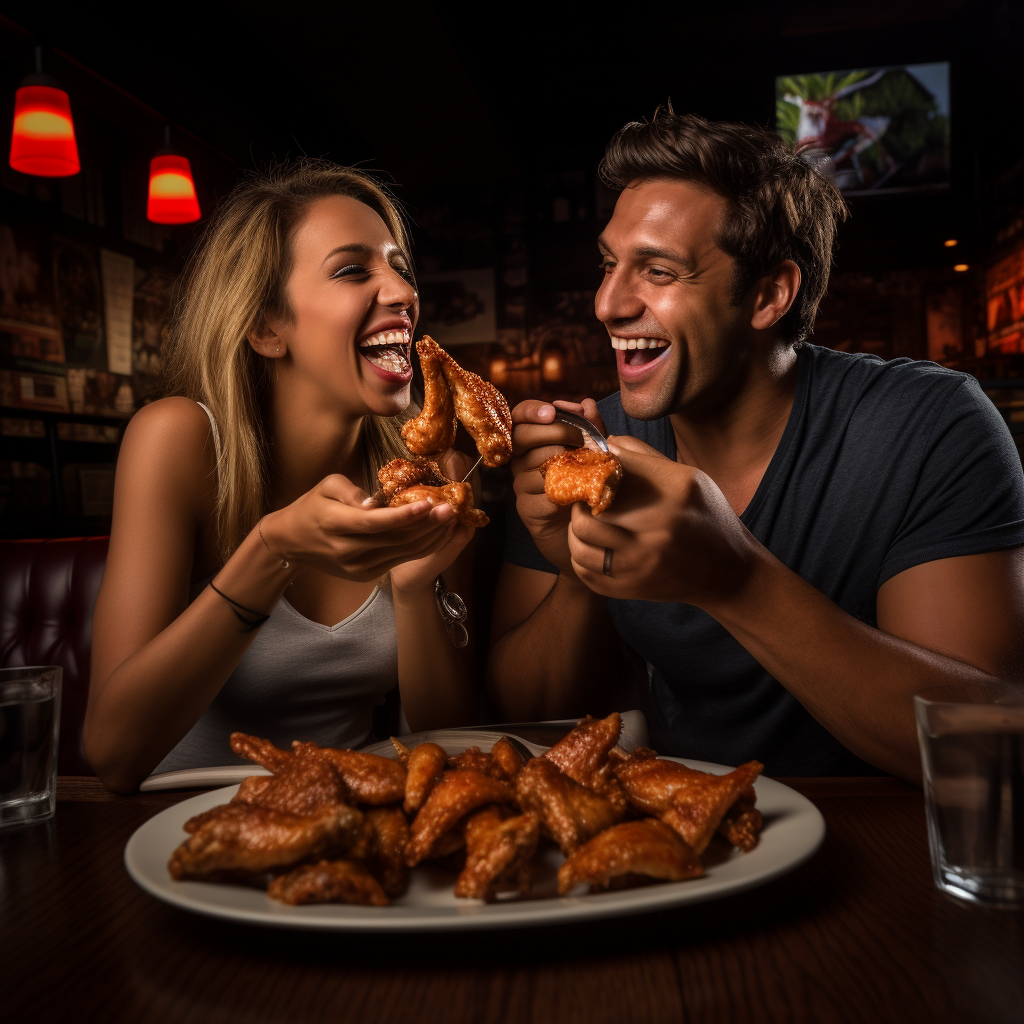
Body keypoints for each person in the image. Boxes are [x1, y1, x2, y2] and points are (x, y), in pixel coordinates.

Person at [488, 112, 1024, 783]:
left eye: (657, 270)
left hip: (887, 846)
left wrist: (734, 578)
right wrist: (578, 568)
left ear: (770, 294)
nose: (606, 302)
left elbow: (984, 747)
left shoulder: (926, 426)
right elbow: (526, 714)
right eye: (608, 264)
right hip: (683, 844)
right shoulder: (590, 443)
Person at [85, 161, 478, 793]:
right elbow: (112, 750)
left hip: (352, 840)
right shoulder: (178, 441)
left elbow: (450, 745)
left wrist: (413, 592)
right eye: (355, 270)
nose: (404, 293)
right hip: (177, 834)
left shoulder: (432, 473)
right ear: (268, 327)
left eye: (400, 268)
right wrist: (272, 550)